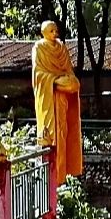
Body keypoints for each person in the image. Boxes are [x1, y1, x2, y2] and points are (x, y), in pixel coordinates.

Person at [31, 21, 82, 184]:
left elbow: (69, 71)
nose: (55, 33)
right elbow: (38, 75)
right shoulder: (39, 48)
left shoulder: (61, 48)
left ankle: (63, 178)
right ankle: (52, 181)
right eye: (51, 31)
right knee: (51, 137)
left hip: (62, 99)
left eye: (56, 30)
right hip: (48, 98)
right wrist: (54, 81)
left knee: (63, 134)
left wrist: (70, 81)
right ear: (43, 32)